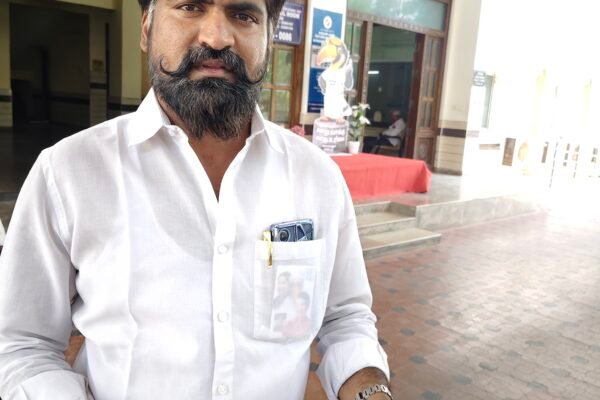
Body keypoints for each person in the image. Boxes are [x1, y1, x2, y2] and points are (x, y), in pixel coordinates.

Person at [0, 1, 391, 399]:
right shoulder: (68, 172)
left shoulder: (316, 176)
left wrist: (370, 390)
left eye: (244, 15)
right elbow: (22, 345)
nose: (216, 37)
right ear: (146, 27)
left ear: (269, 37)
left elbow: (345, 318)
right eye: (190, 6)